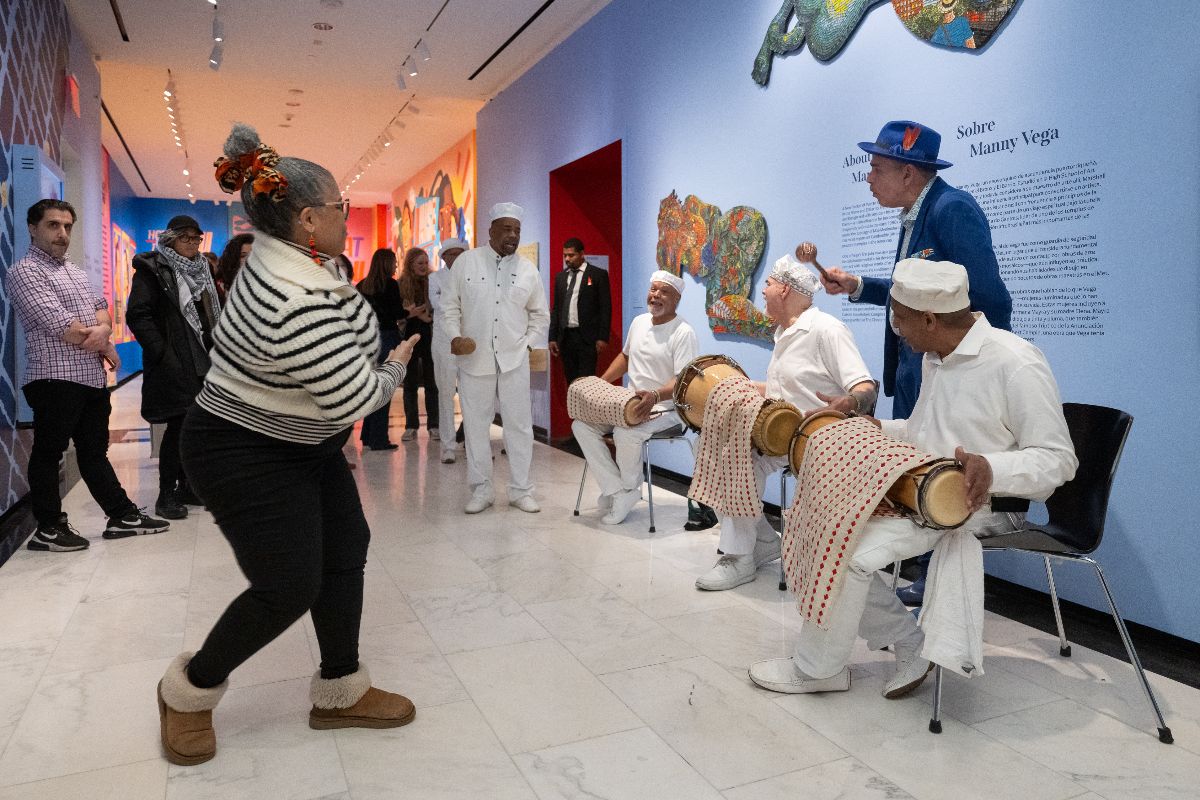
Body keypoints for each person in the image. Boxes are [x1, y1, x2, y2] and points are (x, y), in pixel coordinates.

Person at [156, 123, 419, 767]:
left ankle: (339, 689)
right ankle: (186, 691)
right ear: (307, 219)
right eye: (340, 208)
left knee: (346, 545)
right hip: (242, 449)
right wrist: (393, 368)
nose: (345, 217)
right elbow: (352, 398)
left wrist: (365, 360)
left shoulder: (305, 262)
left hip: (300, 441)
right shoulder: (291, 293)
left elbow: (345, 345)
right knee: (288, 584)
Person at [748, 260, 1076, 699]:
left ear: (929, 318)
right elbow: (923, 433)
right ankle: (910, 642)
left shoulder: (1015, 361)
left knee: (849, 551)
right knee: (826, 528)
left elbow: (1059, 460)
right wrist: (864, 423)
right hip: (922, 493)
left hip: (986, 505)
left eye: (899, 318)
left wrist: (992, 468)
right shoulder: (935, 358)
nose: (896, 328)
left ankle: (818, 668)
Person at [816, 119, 1012, 604]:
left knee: (938, 464)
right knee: (917, 464)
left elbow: (988, 298)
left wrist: (965, 367)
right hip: (917, 369)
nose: (869, 177)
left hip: (944, 373)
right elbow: (917, 296)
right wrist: (860, 286)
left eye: (877, 167)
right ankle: (925, 571)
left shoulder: (952, 210)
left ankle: (937, 581)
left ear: (908, 173)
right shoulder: (914, 215)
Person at [695, 256, 876, 591]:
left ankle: (739, 558)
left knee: (738, 458)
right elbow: (786, 390)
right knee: (712, 447)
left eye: (767, 284)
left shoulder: (827, 330)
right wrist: (735, 387)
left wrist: (849, 402)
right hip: (780, 435)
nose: (762, 291)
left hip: (815, 439)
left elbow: (863, 385)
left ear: (784, 289)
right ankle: (762, 542)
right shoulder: (784, 332)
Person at [7, 199, 170, 552]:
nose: (62, 233)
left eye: (67, 226)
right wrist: (101, 338)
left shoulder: (75, 271)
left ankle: (122, 515)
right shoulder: (24, 272)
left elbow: (103, 312)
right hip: (53, 378)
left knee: (94, 451)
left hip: (91, 378)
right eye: (53, 225)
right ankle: (48, 528)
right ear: (33, 228)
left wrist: (104, 331)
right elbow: (60, 325)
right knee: (49, 453)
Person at [440, 202, 550, 514]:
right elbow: (450, 307)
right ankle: (481, 490)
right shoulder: (467, 264)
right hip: (475, 360)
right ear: (490, 230)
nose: (512, 235)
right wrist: (454, 336)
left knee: (519, 426)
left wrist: (527, 345)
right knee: (476, 427)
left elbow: (540, 316)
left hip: (514, 362)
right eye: (506, 228)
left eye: (517, 229)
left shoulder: (528, 271)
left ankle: (520, 490)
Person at [573, 270, 697, 525]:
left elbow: (684, 381)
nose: (656, 296)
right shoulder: (639, 321)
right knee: (581, 425)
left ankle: (630, 490)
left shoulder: (683, 332)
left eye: (664, 292)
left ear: (676, 299)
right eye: (653, 290)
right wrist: (602, 382)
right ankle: (616, 490)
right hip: (628, 404)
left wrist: (655, 395)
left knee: (625, 433)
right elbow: (626, 357)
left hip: (667, 409)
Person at [127, 214, 222, 519]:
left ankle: (187, 486)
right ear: (170, 239)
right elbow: (138, 315)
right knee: (178, 427)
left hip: (202, 359)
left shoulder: (203, 269)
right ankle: (166, 493)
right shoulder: (153, 268)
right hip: (175, 359)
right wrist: (162, 353)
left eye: (197, 239)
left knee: (195, 428)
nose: (193, 244)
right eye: (186, 238)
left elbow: (209, 314)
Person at [356, 248, 405, 451]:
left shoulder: (362, 286)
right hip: (386, 338)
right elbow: (397, 313)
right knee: (384, 389)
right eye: (393, 262)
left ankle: (367, 435)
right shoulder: (391, 285)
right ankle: (378, 439)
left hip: (367, 342)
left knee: (371, 389)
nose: (395, 265)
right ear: (386, 263)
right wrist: (410, 311)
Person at [549, 237, 611, 387]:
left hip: (587, 338)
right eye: (565, 255)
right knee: (570, 381)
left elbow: (605, 307)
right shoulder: (561, 277)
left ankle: (586, 411)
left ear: (582, 254)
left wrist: (603, 337)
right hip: (566, 337)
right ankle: (573, 411)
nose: (567, 259)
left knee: (586, 383)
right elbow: (556, 308)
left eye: (571, 255)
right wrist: (552, 337)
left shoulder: (597, 274)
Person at [428, 237, 469, 463]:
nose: (454, 258)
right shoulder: (435, 278)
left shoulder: (472, 278)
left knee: (470, 394)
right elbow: (439, 305)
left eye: (458, 253)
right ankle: (448, 445)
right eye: (450, 254)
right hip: (444, 342)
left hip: (467, 342)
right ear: (443, 257)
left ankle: (472, 442)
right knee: (445, 393)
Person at [397, 248, 440, 441]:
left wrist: (426, 317)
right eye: (419, 263)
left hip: (431, 336)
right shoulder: (401, 284)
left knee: (432, 382)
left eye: (425, 262)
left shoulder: (434, 281)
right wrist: (412, 314)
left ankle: (434, 425)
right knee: (410, 383)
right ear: (410, 264)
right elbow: (398, 314)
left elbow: (441, 309)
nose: (423, 266)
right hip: (409, 336)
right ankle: (411, 426)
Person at [213, 232, 253, 303]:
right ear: (233, 259)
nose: (249, 260)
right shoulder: (218, 288)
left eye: (253, 255)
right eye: (243, 256)